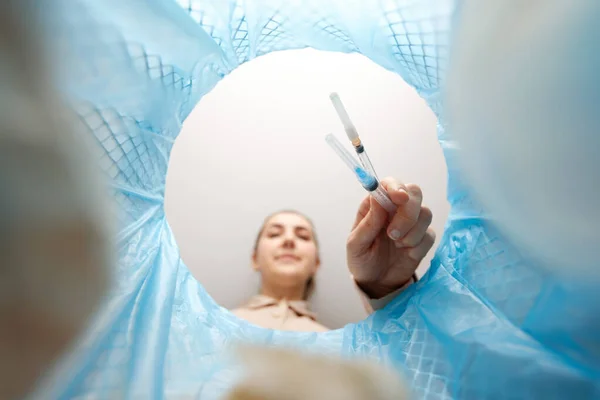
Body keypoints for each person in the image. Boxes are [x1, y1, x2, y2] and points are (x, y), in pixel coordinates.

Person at [232, 179, 436, 331]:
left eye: (303, 236)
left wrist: (387, 291)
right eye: (275, 233)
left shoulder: (342, 348)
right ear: (254, 259)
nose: (289, 240)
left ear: (316, 263)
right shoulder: (208, 325)